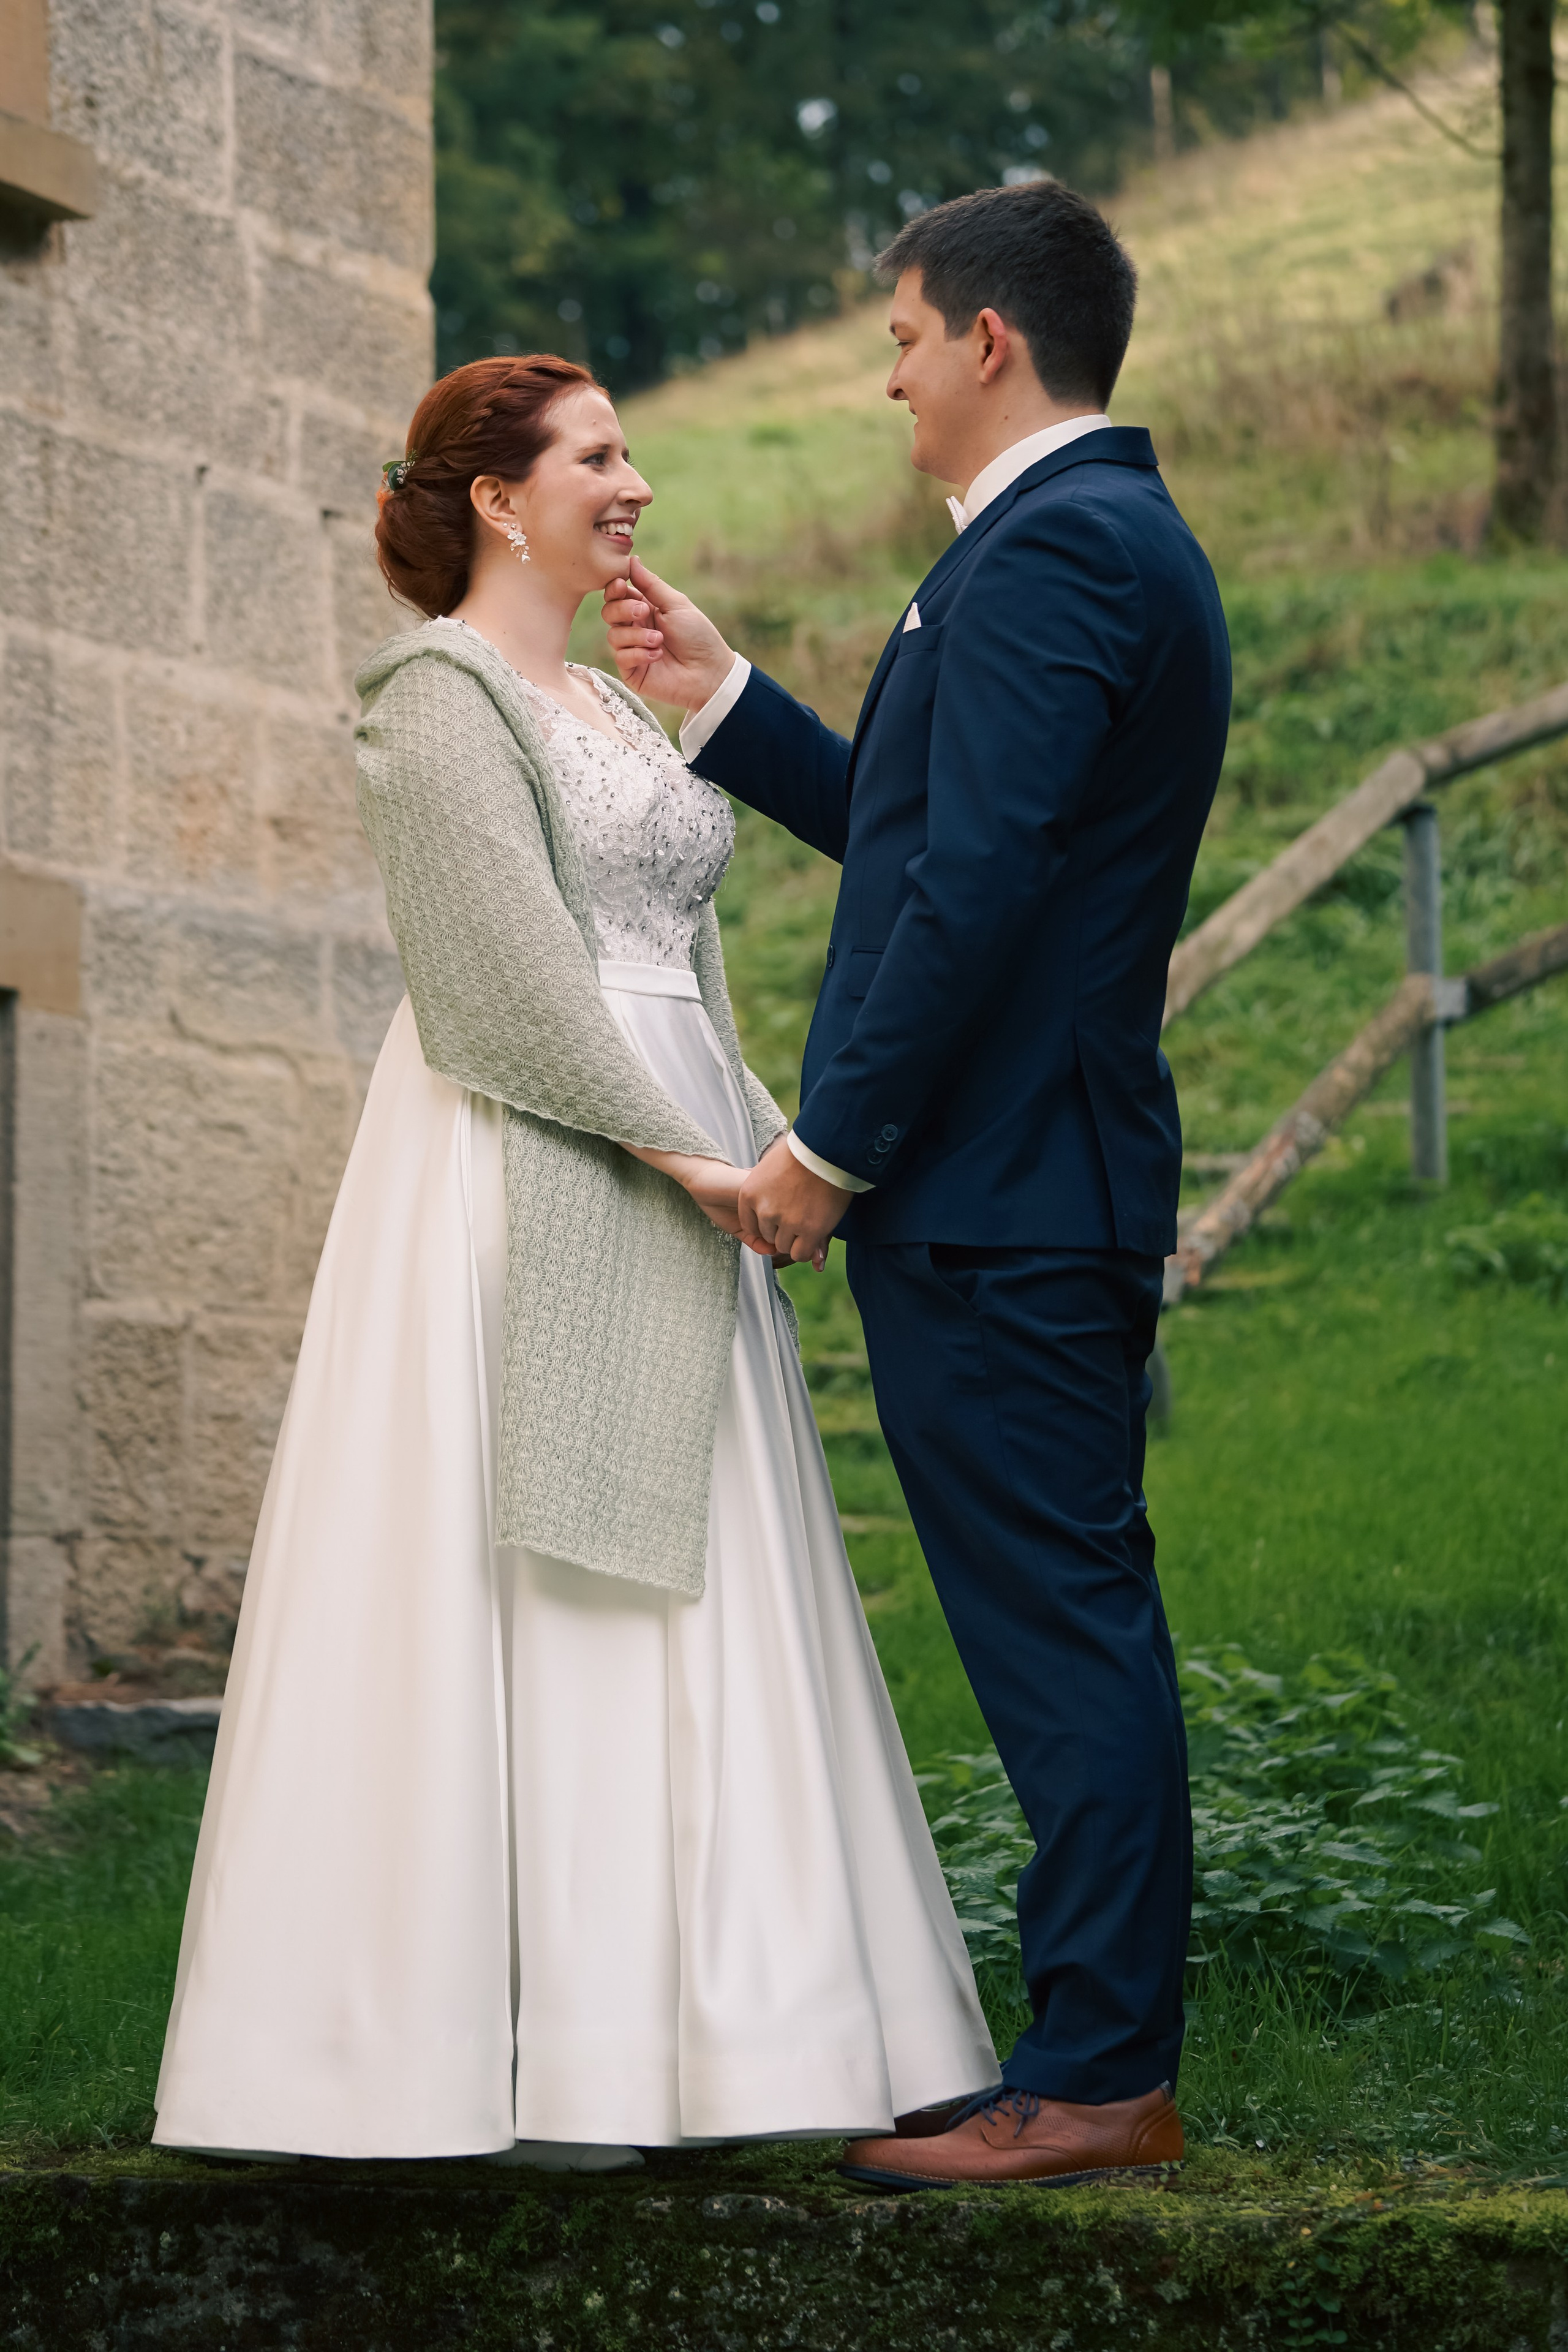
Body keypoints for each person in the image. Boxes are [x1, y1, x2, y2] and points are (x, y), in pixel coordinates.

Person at [151, 354, 996, 2169]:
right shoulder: (434, 694)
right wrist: (691, 1159)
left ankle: (732, 2035)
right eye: (598, 456)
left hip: (687, 1145)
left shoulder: (611, 701)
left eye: (630, 451)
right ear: (496, 497)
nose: (634, 483)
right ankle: (524, 2046)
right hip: (525, 1151)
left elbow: (680, 954)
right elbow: (498, 978)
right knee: (547, 1578)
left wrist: (760, 1139)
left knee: (713, 1563)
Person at [603, 180, 1232, 2189]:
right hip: (1016, 1185)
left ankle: (1103, 2074)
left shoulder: (1063, 549)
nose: (886, 377)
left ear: (988, 340)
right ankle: (1085, 2052)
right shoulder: (1070, 541)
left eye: (898, 339)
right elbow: (925, 826)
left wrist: (827, 1147)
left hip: (1006, 1193)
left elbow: (977, 887)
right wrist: (725, 701)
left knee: (1061, 1627)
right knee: (1053, 1619)